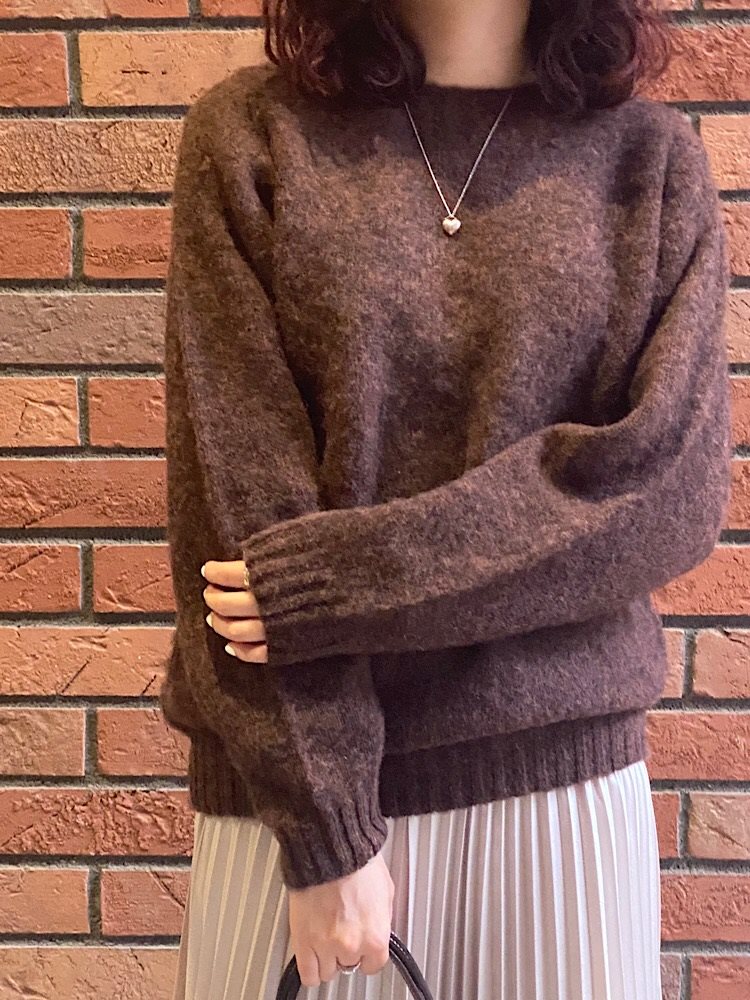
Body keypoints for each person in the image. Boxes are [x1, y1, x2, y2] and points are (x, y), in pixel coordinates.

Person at [159, 0, 732, 997]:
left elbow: (664, 489)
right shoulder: (252, 137)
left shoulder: (650, 162)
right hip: (291, 809)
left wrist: (335, 584)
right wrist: (326, 824)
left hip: (562, 803)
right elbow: (234, 510)